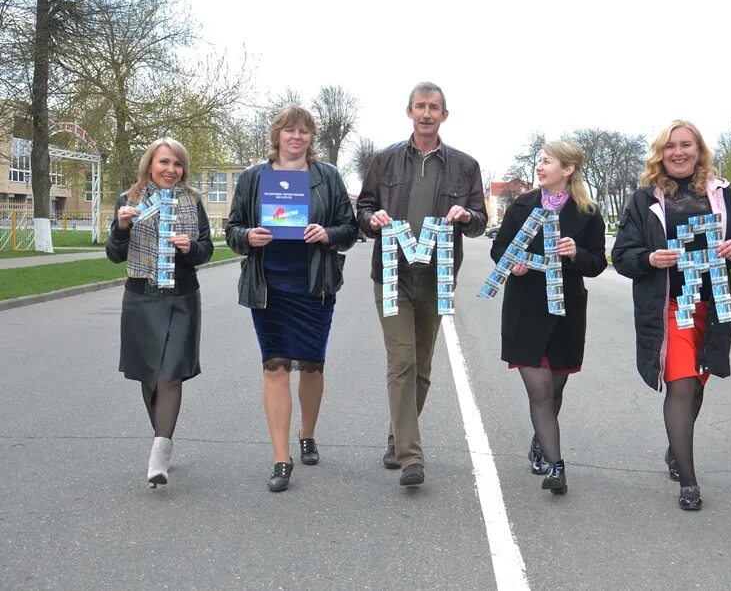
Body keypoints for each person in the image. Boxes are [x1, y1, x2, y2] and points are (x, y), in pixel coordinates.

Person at [612, 120, 731, 510]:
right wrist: (650, 258)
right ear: (661, 153)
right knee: (681, 384)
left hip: (712, 306)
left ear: (699, 150)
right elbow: (622, 256)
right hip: (671, 306)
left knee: (697, 386)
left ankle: (676, 450)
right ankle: (689, 482)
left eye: (686, 145)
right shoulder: (645, 200)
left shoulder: (719, 193)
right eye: (671, 146)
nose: (679, 152)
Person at [356, 82, 486, 487]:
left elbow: (481, 221)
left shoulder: (465, 166)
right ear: (409, 111)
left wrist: (467, 217)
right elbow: (364, 206)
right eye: (420, 106)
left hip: (437, 275)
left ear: (444, 115)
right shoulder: (385, 161)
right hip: (393, 274)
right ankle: (411, 457)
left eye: (434, 108)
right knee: (403, 361)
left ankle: (397, 438)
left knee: (423, 366)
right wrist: (371, 219)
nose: (427, 113)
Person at [226, 105, 358, 492]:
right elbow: (232, 229)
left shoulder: (328, 177)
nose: (297, 137)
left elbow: (350, 229)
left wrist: (328, 234)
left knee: (312, 366)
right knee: (275, 366)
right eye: (290, 131)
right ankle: (281, 458)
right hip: (268, 286)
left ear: (311, 138)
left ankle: (307, 433)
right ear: (277, 135)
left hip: (313, 285)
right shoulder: (254, 177)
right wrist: (248, 237)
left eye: (304, 132)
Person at [490, 140, 607, 495]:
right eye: (539, 161)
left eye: (547, 162)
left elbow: (599, 262)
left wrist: (577, 254)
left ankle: (541, 441)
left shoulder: (587, 212)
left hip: (565, 312)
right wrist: (514, 263)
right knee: (539, 390)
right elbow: (500, 249)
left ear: (568, 169)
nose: (539, 167)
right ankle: (557, 467)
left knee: (554, 387)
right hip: (525, 310)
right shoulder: (521, 206)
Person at [106, 137, 214, 488]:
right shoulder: (129, 200)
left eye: (177, 164)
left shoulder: (193, 201)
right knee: (148, 375)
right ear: (150, 164)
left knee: (170, 374)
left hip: (182, 296)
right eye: (164, 162)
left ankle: (159, 451)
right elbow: (114, 254)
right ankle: (162, 439)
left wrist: (191, 247)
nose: (171, 170)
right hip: (141, 296)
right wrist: (121, 227)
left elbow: (207, 250)